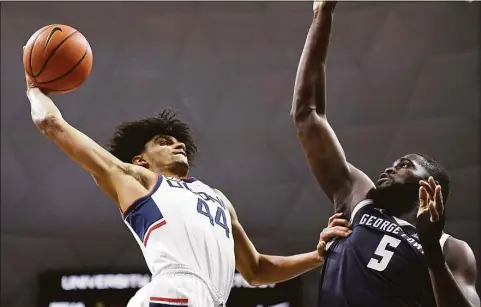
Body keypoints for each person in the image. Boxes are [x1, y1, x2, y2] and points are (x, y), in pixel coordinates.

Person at [24, 67, 351, 306]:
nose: (177, 145)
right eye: (164, 142)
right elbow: (51, 123)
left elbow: (256, 270)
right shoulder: (136, 180)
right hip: (172, 293)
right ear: (141, 159)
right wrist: (34, 90)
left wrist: (317, 256)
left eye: (179, 141)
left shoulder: (218, 199)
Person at [291, 1, 480, 307]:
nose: (390, 168)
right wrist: (322, 14)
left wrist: (431, 251)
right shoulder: (359, 199)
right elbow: (307, 115)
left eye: (405, 165)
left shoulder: (451, 249)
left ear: (430, 185)